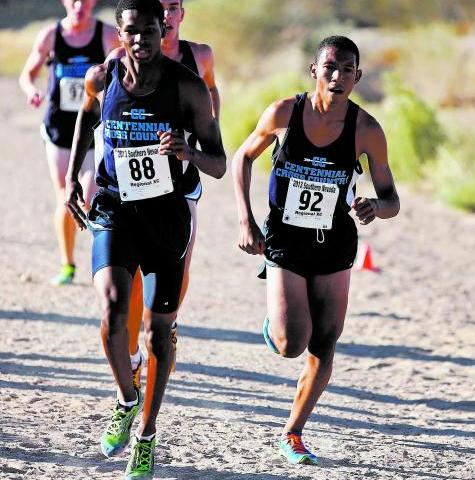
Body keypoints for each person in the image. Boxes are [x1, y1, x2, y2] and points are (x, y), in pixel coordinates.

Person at [65, 0, 226, 478]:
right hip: (115, 207)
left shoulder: (188, 87)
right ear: (119, 32)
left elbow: (218, 161)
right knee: (113, 311)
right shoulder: (103, 75)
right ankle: (126, 398)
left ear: (164, 30)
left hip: (165, 217)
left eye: (150, 30)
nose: (141, 40)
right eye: (132, 31)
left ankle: (147, 435)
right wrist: (74, 176)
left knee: (158, 333)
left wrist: (187, 151)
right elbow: (86, 116)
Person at [232, 35, 400, 465]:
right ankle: (276, 325)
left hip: (334, 244)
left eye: (347, 69)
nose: (338, 76)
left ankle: (293, 432)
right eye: (330, 67)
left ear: (358, 77)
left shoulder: (367, 130)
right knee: (292, 343)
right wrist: (246, 219)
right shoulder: (285, 113)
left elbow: (391, 200)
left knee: (325, 343)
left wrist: (374, 206)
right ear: (314, 71)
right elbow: (243, 158)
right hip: (285, 240)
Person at [108, 0, 222, 391]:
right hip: (128, 187)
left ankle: (165, 322)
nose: (168, 17)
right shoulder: (116, 62)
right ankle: (137, 351)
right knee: (129, 277)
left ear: (177, 16)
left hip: (180, 177)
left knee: (177, 264)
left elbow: (211, 101)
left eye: (173, 8)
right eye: (162, 9)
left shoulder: (198, 56)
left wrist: (193, 140)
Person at [19, 0, 118, 285]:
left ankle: (104, 262)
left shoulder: (107, 34)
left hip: (93, 128)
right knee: (65, 195)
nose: (79, 6)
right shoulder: (51, 35)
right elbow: (29, 74)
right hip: (60, 131)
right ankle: (67, 263)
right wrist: (32, 91)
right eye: (74, 0)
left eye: (85, 1)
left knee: (88, 195)